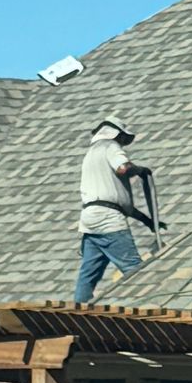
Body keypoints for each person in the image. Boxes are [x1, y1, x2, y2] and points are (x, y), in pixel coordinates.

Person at [74, 117, 149, 303]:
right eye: (123, 138)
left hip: (90, 221)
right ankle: (147, 305)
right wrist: (140, 170)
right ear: (117, 134)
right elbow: (123, 168)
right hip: (108, 219)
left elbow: (122, 205)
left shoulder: (90, 155)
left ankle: (78, 310)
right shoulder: (110, 147)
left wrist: (148, 222)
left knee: (88, 274)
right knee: (135, 269)